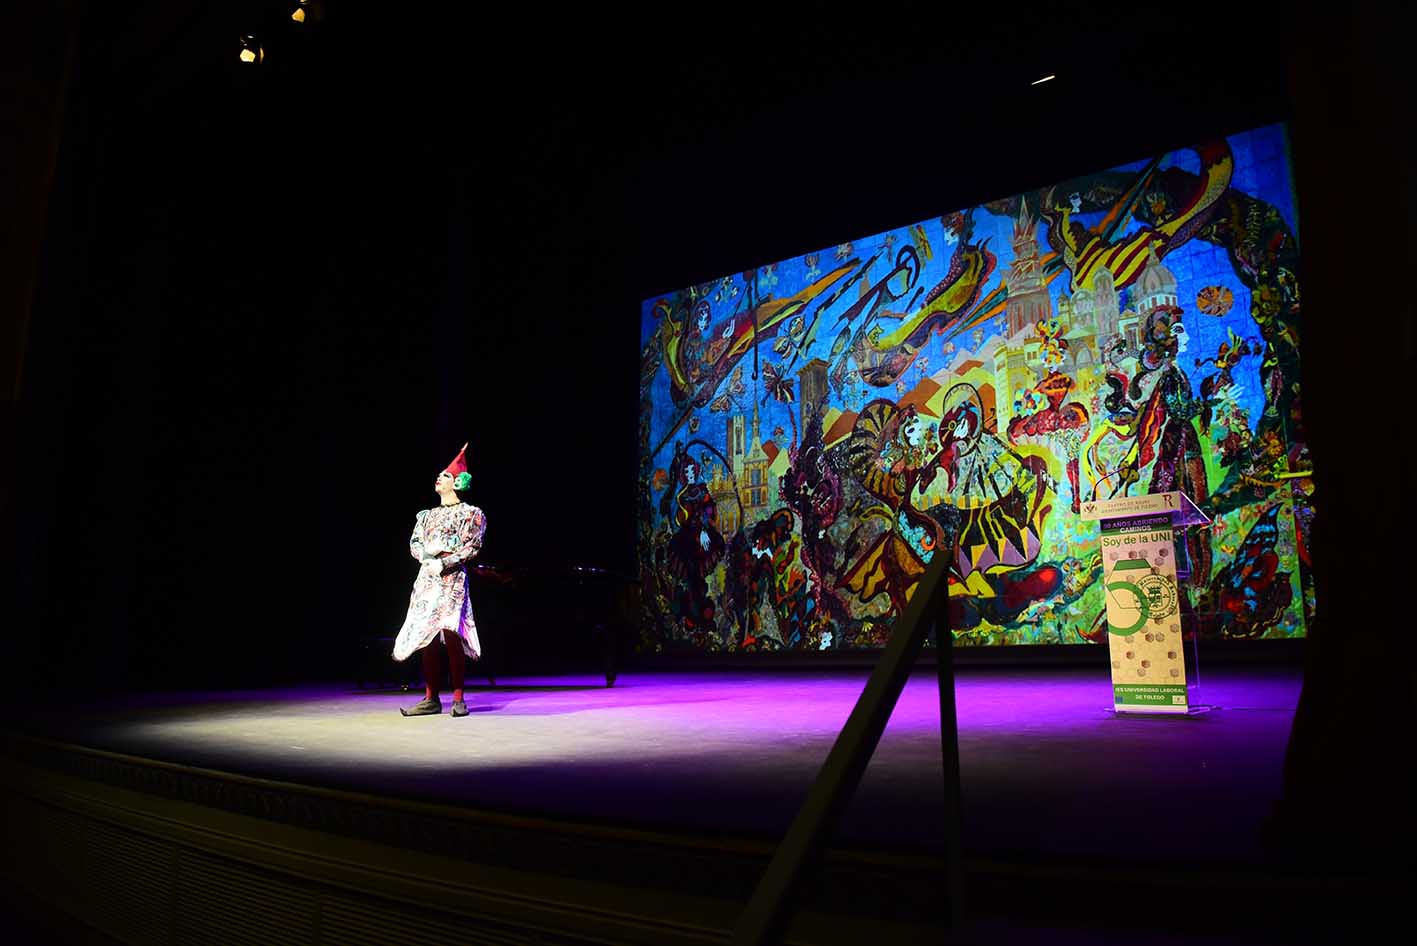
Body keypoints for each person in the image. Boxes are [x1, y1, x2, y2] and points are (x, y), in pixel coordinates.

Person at [392, 443, 488, 718]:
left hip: (452, 577)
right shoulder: (427, 515)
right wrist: (426, 558)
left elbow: (472, 546)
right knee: (428, 635)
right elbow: (415, 542)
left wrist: (444, 562)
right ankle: (431, 698)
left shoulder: (472, 513)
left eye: (444, 475)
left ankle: (458, 698)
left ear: (457, 482)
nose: (438, 477)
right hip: (428, 578)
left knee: (451, 632)